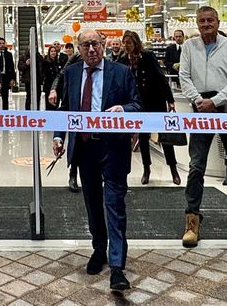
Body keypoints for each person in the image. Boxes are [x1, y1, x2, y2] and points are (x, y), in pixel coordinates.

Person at [52, 30, 141, 292]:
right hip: (84, 148)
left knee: (114, 204)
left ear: (103, 45)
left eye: (95, 44)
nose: (91, 49)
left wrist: (123, 109)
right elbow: (66, 108)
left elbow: (138, 104)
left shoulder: (121, 72)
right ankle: (99, 248)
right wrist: (59, 137)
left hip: (113, 148)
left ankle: (117, 267)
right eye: (86, 45)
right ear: (78, 48)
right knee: (92, 203)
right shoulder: (72, 73)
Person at [178, 6, 227, 246]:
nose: (206, 24)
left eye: (210, 20)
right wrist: (198, 100)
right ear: (197, 24)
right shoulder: (189, 47)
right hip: (201, 110)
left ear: (218, 22)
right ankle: (192, 219)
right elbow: (184, 77)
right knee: (196, 166)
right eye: (202, 20)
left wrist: (216, 101)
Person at [121, 31, 180, 186]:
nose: (126, 46)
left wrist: (170, 99)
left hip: (156, 100)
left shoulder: (147, 56)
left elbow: (161, 78)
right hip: (138, 103)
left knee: (165, 136)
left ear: (135, 43)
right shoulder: (123, 60)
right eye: (124, 43)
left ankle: (173, 169)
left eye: (129, 42)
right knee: (143, 136)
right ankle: (146, 169)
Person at [49, 42, 85, 192]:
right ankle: (73, 173)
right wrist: (58, 137)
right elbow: (64, 109)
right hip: (76, 112)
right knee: (76, 143)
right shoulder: (73, 66)